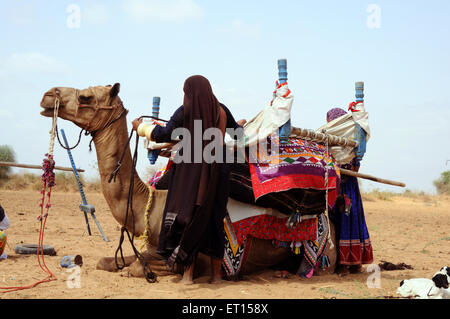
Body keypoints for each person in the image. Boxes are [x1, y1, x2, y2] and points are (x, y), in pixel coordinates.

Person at [132, 75, 246, 284]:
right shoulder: (222, 110)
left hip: (191, 175)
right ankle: (216, 277)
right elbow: (238, 134)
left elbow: (164, 133)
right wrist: (239, 125)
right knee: (214, 222)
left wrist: (140, 127)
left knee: (187, 220)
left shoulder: (186, 111)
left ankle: (187, 276)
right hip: (219, 173)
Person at [326, 108, 373, 275]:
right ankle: (354, 263)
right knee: (352, 220)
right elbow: (356, 164)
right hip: (349, 186)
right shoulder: (351, 143)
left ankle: (344, 264)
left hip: (342, 187)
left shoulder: (335, 143)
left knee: (343, 221)